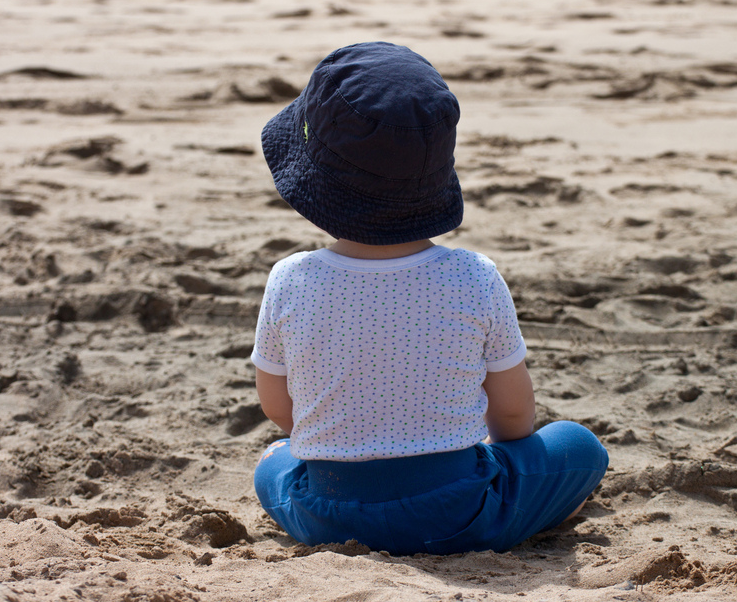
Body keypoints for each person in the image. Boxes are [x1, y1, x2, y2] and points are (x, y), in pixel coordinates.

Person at [250, 42, 608, 556]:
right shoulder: (474, 277)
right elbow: (514, 418)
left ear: (314, 182)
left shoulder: (290, 280)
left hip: (326, 514)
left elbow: (281, 408)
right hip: (458, 515)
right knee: (578, 446)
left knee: (273, 462)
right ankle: (535, 514)